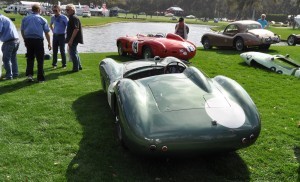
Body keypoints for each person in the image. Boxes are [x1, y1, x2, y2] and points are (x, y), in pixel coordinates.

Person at [21, 4, 51, 83]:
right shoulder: (42, 19)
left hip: (28, 40)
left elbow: (22, 31)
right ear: (39, 10)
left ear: (32, 9)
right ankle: (40, 77)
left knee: (30, 58)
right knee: (40, 59)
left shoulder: (25, 18)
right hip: (38, 40)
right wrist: (49, 43)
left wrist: (25, 40)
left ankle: (30, 75)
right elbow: (47, 32)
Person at [0, 13, 20, 80]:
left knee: (6, 59)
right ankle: (15, 73)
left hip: (9, 41)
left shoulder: (0, 19)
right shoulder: (5, 18)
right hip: (16, 40)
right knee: (13, 58)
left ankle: (9, 75)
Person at [65, 4, 83, 72]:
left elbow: (76, 29)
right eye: (66, 9)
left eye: (68, 9)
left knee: (73, 53)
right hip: (74, 38)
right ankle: (79, 66)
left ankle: (75, 68)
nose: (66, 11)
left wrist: (71, 40)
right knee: (75, 52)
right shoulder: (72, 17)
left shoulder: (73, 18)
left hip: (74, 39)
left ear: (72, 9)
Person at [50, 5, 69, 69]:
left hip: (62, 36)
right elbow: (51, 24)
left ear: (59, 10)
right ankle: (54, 64)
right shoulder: (53, 17)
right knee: (54, 51)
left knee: (62, 51)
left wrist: (66, 34)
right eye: (53, 10)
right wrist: (53, 31)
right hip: (55, 36)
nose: (54, 12)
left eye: (56, 10)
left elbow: (68, 26)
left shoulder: (64, 17)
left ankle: (64, 64)